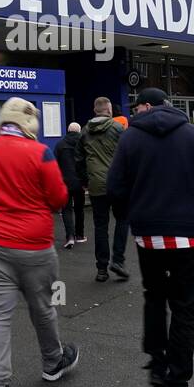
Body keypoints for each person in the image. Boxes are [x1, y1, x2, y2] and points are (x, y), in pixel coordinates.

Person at [106, 88, 194, 387]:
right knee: (184, 310)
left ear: (146, 106)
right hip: (188, 238)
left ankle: (158, 367)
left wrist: (131, 216)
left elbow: (115, 187)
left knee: (154, 298)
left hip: (149, 237)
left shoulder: (130, 138)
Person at [0, 97, 79, 387]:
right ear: (29, 122)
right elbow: (58, 198)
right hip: (34, 246)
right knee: (42, 308)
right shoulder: (40, 152)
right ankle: (52, 362)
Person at [78, 97, 129, 282]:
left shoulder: (84, 132)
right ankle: (118, 260)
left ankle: (101, 269)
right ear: (109, 110)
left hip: (96, 186)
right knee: (123, 220)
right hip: (117, 184)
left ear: (95, 110)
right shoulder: (118, 129)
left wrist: (86, 180)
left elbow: (78, 160)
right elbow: (127, 155)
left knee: (101, 226)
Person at [52, 122, 86, 250]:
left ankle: (70, 236)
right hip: (79, 182)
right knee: (79, 209)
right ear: (79, 131)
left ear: (68, 130)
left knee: (66, 209)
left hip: (65, 182)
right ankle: (80, 235)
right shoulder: (83, 144)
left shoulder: (60, 144)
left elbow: (54, 163)